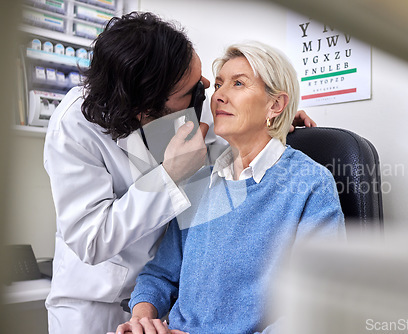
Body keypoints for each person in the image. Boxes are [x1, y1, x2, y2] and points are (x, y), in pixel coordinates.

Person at [43, 12, 316, 334]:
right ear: (146, 108)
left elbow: (320, 300)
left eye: (233, 83)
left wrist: (273, 121)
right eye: (202, 88)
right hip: (97, 298)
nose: (209, 92)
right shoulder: (74, 126)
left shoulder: (307, 184)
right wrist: (171, 175)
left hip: (163, 307)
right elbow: (93, 240)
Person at [114, 41, 345, 334]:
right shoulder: (198, 183)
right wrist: (142, 320)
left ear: (275, 105)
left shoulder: (310, 185)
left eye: (238, 84)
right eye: (219, 84)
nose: (219, 95)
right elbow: (159, 275)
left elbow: (314, 310)